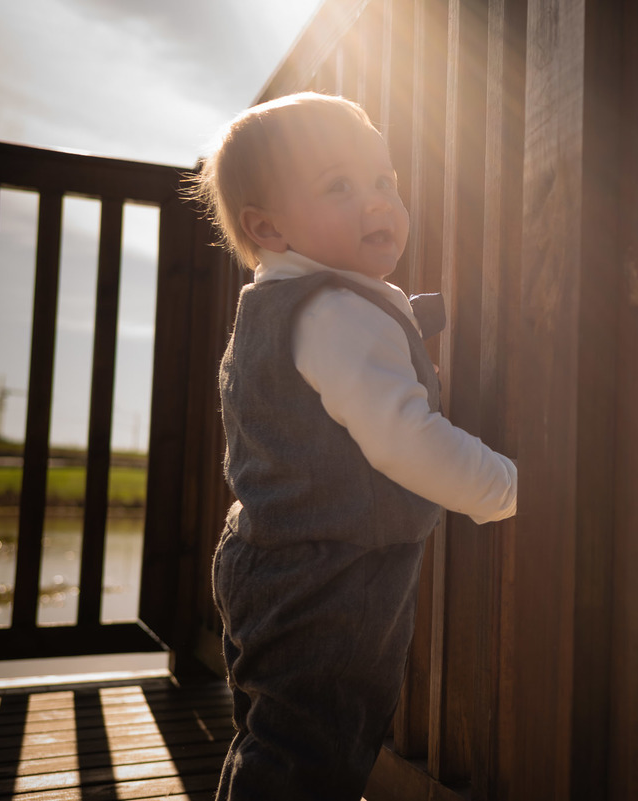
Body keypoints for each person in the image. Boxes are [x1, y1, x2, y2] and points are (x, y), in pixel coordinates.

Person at [191, 92, 517, 801]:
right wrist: (501, 484)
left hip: (268, 561)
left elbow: (367, 347)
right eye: (338, 186)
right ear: (267, 226)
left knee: (274, 741)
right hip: (332, 582)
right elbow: (406, 440)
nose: (376, 203)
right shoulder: (338, 313)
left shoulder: (284, 306)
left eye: (384, 182)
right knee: (311, 755)